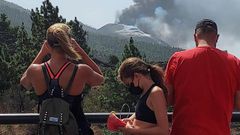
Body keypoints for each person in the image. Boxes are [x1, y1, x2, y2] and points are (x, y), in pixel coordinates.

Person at [20, 23, 104, 135]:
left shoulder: (34, 70)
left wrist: (41, 53)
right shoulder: (82, 70)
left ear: (48, 45)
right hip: (77, 129)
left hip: (48, 131)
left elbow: (24, 83)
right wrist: (81, 52)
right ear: (69, 43)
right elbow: (100, 79)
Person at [165, 19, 240, 135]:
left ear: (195, 37)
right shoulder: (234, 62)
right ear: (217, 37)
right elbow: (238, 103)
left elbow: (167, 99)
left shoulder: (177, 59)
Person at [117, 57, 169, 135]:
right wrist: (130, 119)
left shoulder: (156, 92)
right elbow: (144, 112)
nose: (131, 87)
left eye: (130, 84)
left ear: (137, 76)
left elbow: (163, 130)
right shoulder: (145, 92)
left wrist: (133, 131)